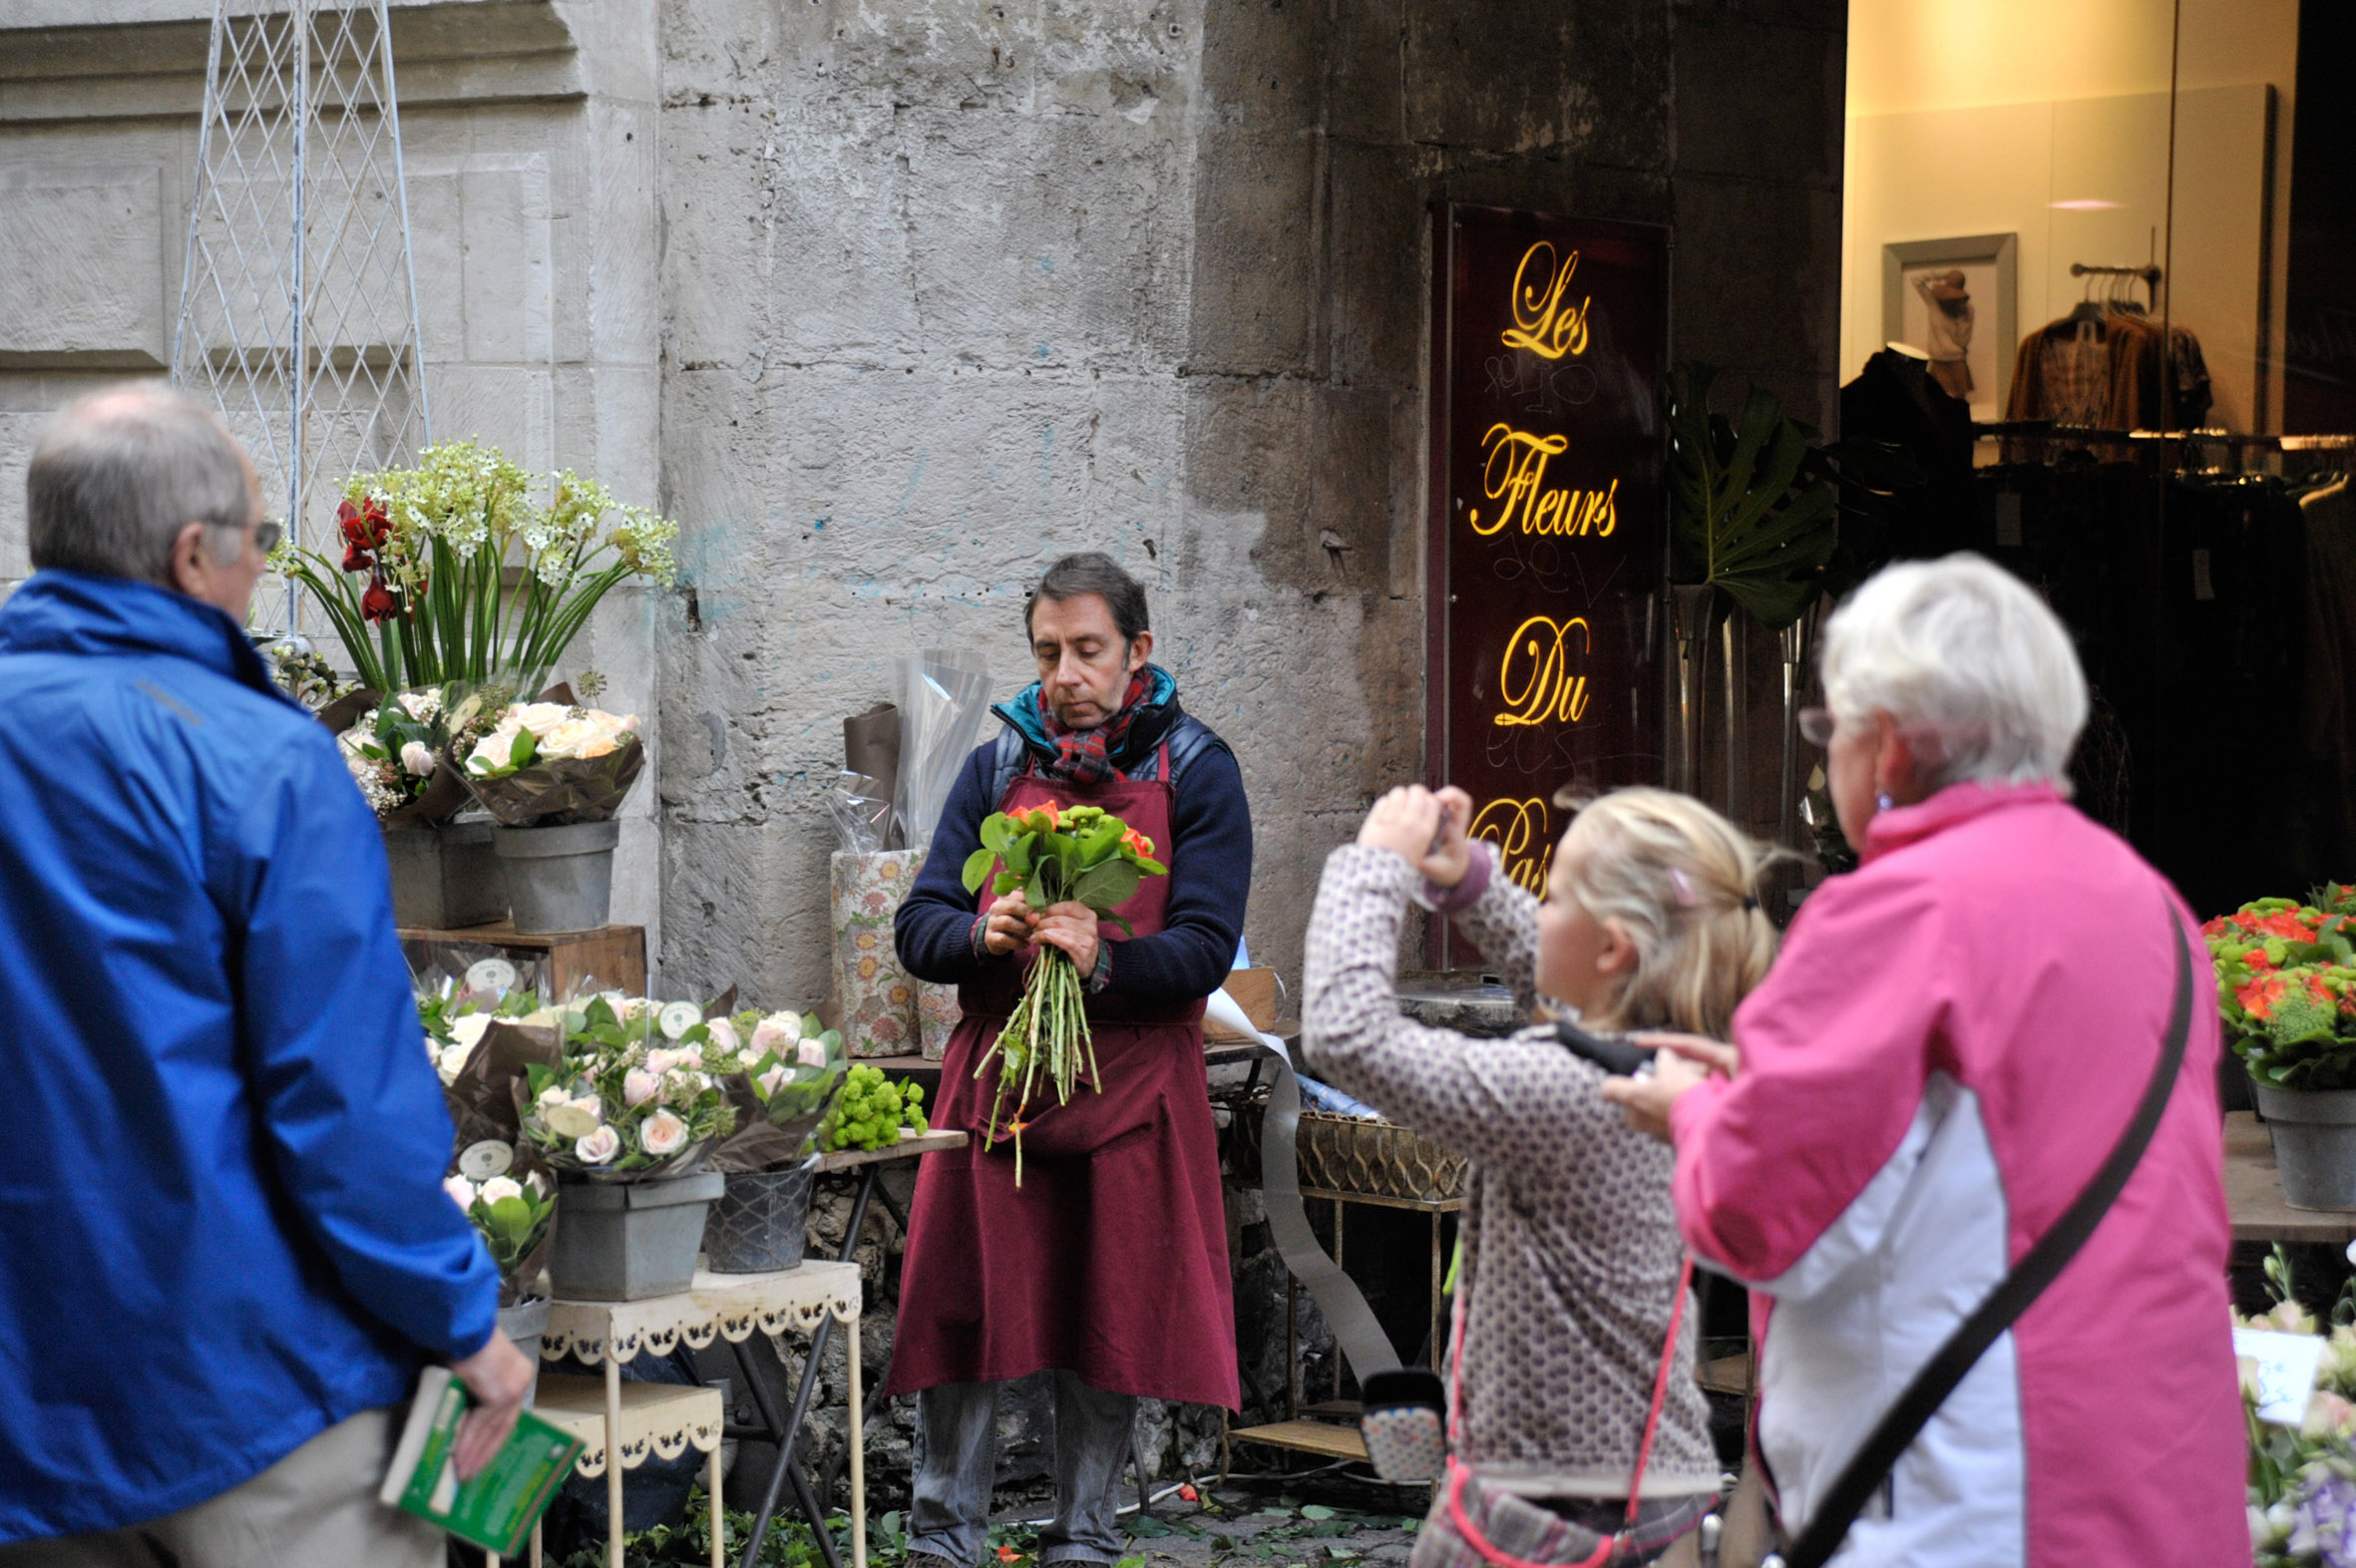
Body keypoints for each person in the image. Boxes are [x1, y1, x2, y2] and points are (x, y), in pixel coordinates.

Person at [1603, 555, 2244, 1567]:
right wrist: (1752, 1089)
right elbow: (1983, 1144)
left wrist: (1691, 1112)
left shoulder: (1895, 910)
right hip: (2157, 1472)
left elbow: (1761, 1215)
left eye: (1831, 732)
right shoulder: (2148, 903)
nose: (1828, 760)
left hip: (1976, 1497)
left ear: (1888, 748)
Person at [0, 388, 531, 1564]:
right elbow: (341, 1107)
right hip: (249, 1386)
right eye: (261, 540)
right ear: (196, 555)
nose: (262, 571)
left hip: (25, 1403)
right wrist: (463, 1322)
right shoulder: (260, 758)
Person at [1304, 784, 1776, 1568]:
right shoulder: (1681, 1057)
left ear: (1614, 949)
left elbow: (1348, 1034)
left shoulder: (1566, 1090)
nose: (1539, 909)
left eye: (1552, 897)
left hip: (1543, 1507)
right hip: (1649, 1485)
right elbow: (1571, 990)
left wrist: (1373, 867)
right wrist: (1470, 884)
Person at [892, 553, 1252, 1568]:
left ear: (1138, 652)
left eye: (1087, 650)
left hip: (1131, 1088)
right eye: (1047, 652)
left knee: (1112, 1305)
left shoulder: (1197, 767)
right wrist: (980, 934)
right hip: (998, 1081)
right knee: (962, 1302)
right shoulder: (995, 767)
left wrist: (1103, 958)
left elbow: (1203, 950)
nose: (1064, 674)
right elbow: (918, 925)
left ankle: (1084, 1536)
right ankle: (943, 1534)